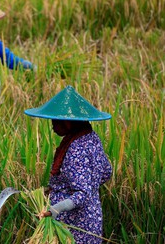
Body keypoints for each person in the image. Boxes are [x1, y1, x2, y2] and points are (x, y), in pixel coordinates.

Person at [24, 85, 112, 243]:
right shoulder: (91, 137)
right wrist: (58, 188)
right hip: (92, 218)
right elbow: (106, 172)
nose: (52, 125)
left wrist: (56, 209)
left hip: (75, 225)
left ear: (70, 122)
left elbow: (82, 194)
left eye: (57, 121)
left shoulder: (75, 150)